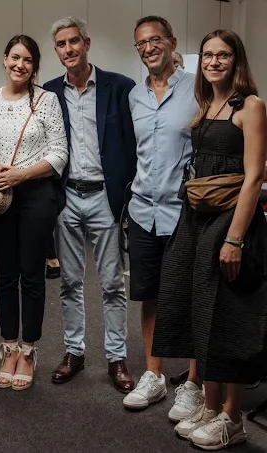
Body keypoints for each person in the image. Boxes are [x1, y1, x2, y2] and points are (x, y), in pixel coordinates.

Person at [154, 30, 267, 450]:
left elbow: (255, 176)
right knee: (202, 311)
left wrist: (235, 239)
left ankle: (232, 417)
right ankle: (211, 402)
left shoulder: (251, 106)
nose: (214, 61)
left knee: (232, 316)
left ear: (237, 60)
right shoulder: (208, 104)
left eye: (223, 55)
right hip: (197, 218)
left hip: (230, 223)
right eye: (207, 55)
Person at [43, 16, 137, 393]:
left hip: (104, 197)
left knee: (113, 283)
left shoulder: (120, 87)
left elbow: (133, 144)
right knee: (70, 282)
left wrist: (127, 194)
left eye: (74, 42)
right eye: (61, 44)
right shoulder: (49, 92)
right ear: (57, 50)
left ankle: (116, 358)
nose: (68, 49)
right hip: (67, 197)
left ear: (86, 43)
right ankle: (74, 352)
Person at [123, 16, 204, 418]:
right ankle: (153, 376)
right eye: (141, 43)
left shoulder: (198, 90)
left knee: (189, 298)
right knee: (149, 295)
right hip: (142, 211)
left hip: (184, 213)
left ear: (172, 42)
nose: (149, 48)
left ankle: (193, 384)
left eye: (155, 40)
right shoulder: (135, 97)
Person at [0, 35, 68, 390]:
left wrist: (23, 173)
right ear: (4, 59)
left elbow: (60, 152)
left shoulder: (47, 100)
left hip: (37, 195)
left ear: (35, 67)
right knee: (5, 274)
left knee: (32, 275)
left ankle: (29, 349)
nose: (20, 65)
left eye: (28, 60)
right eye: (15, 57)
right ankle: (9, 347)